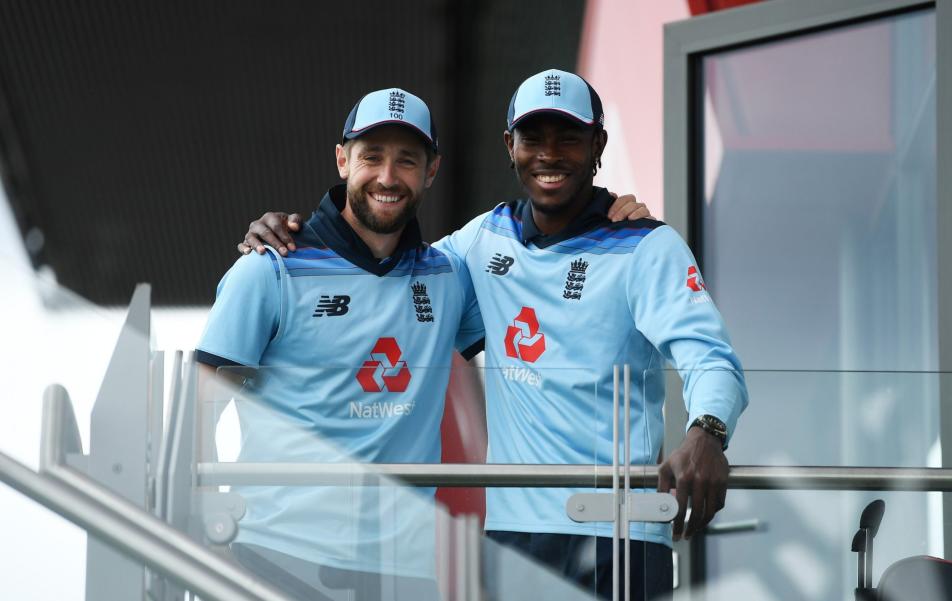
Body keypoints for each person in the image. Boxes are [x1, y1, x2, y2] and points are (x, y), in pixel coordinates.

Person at [239, 69, 744, 601]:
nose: (549, 154)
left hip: (615, 528)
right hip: (509, 536)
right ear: (510, 145)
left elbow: (711, 358)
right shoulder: (481, 239)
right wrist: (290, 236)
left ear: (598, 144)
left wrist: (707, 431)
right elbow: (379, 281)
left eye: (569, 137)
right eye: (533, 137)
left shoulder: (647, 245)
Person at [196, 88, 486, 600]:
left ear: (432, 170)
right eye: (371, 157)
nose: (388, 177)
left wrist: (610, 215)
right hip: (274, 557)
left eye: (407, 161)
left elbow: (547, 288)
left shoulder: (449, 277)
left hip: (407, 572)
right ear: (342, 159)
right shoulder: (269, 270)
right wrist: (207, 531)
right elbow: (193, 412)